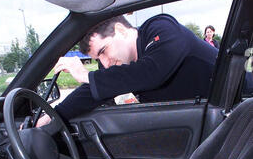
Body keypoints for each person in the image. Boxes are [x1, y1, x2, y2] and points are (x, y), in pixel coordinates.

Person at [38, 14, 219, 126]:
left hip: (238, 108)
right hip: (197, 120)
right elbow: (92, 91)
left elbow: (152, 71)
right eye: (98, 59)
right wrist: (53, 116)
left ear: (121, 31)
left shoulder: (163, 28)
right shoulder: (115, 64)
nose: (105, 63)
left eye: (103, 51)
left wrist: (85, 74)